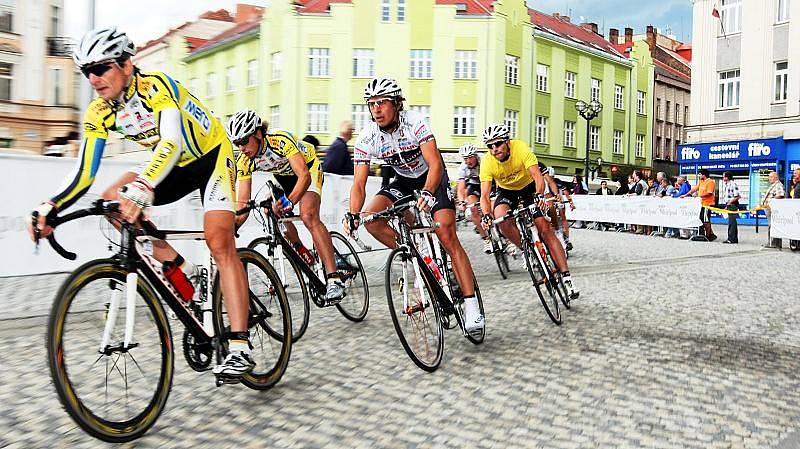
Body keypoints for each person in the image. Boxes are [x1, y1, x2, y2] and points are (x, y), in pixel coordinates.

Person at [26, 28, 253, 378]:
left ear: (127, 64)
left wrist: (145, 185)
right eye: (86, 71)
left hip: (210, 157)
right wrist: (51, 207)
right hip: (173, 168)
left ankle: (239, 345)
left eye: (101, 68)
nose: (93, 78)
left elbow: (172, 142)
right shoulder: (99, 111)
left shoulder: (156, 87)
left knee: (219, 239)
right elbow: (84, 172)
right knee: (112, 201)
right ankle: (180, 271)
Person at [346, 77, 484, 334]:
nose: (376, 109)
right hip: (404, 181)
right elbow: (359, 185)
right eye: (371, 103)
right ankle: (413, 252)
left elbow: (435, 164)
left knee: (446, 234)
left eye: (382, 102)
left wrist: (430, 193)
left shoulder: (416, 124)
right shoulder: (367, 137)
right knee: (370, 218)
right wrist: (353, 215)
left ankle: (471, 304)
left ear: (397, 104)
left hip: (432, 177)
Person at [228, 109, 346, 303]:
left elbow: (304, 177)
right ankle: (303, 253)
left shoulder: (279, 140)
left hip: (307, 169)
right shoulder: (244, 161)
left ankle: (334, 279)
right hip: (283, 178)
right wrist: (231, 227)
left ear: (258, 134)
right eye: (236, 143)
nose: (241, 148)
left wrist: (289, 201)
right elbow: (243, 205)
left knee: (308, 215)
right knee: (271, 211)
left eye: (244, 141)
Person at [478, 123, 579, 299]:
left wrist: (540, 195)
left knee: (545, 230)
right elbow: (485, 195)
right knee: (500, 218)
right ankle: (527, 250)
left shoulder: (521, 148)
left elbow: (538, 176)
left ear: (507, 142)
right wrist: (486, 215)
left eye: (498, 144)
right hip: (506, 191)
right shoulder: (487, 161)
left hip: (529, 188)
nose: (494, 149)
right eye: (490, 146)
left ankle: (566, 276)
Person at [455, 142, 492, 254]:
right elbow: (461, 187)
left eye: (470, 157)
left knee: (493, 207)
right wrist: (461, 202)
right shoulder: (463, 168)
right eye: (465, 158)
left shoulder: (484, 161)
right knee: (473, 209)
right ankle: (486, 239)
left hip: (489, 183)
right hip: (475, 186)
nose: (468, 161)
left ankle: (504, 236)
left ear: (476, 156)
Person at [681, 168, 717, 241]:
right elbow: (694, 189)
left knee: (705, 220)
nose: (699, 176)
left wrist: (699, 196)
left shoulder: (710, 182)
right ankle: (711, 234)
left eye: (700, 174)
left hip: (708, 204)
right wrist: (686, 195)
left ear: (704, 175)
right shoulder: (701, 181)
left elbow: (709, 193)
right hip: (702, 204)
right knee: (702, 219)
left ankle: (708, 235)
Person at [760, 170, 785, 248]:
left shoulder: (778, 185)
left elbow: (780, 195)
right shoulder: (774, 185)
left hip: (773, 210)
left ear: (775, 177)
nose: (769, 179)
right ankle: (772, 243)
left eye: (770, 177)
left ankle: (773, 243)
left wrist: (771, 202)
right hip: (769, 209)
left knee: (773, 226)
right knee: (772, 225)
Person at [720, 171, 740, 244]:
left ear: (727, 177)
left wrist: (729, 203)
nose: (723, 178)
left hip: (732, 204)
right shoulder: (727, 185)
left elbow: (737, 196)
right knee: (731, 222)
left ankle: (731, 239)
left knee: (732, 222)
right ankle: (733, 238)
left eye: (724, 176)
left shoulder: (733, 184)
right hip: (729, 204)